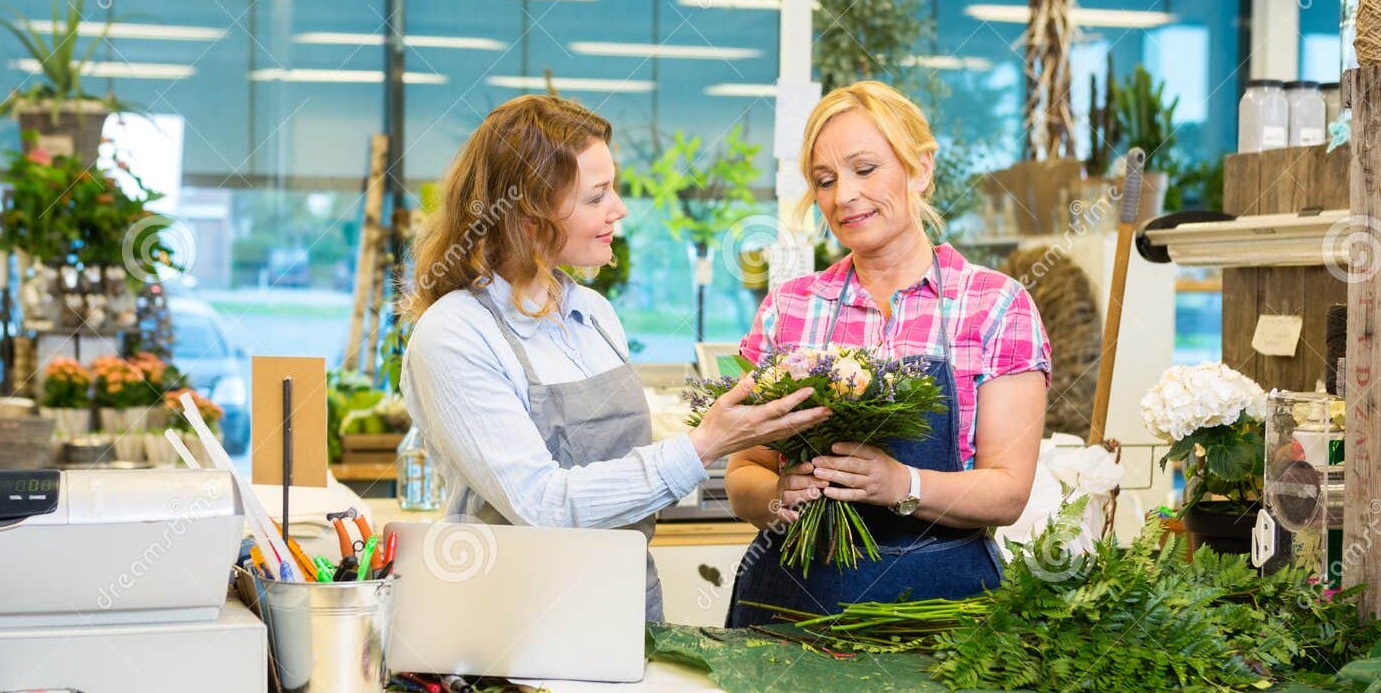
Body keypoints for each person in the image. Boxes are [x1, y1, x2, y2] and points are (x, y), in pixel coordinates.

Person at [401, 94, 828, 621]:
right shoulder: (456, 334)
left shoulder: (595, 315)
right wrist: (706, 443)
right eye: (597, 195)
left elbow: (622, 484)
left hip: (626, 608)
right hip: (513, 626)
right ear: (530, 218)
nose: (619, 209)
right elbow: (541, 506)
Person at [725, 81, 1050, 625]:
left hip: (944, 613)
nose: (843, 195)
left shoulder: (994, 305)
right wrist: (778, 495)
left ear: (920, 169)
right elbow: (744, 473)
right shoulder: (790, 308)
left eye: (865, 169)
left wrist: (903, 485)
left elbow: (1008, 492)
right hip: (791, 604)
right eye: (824, 181)